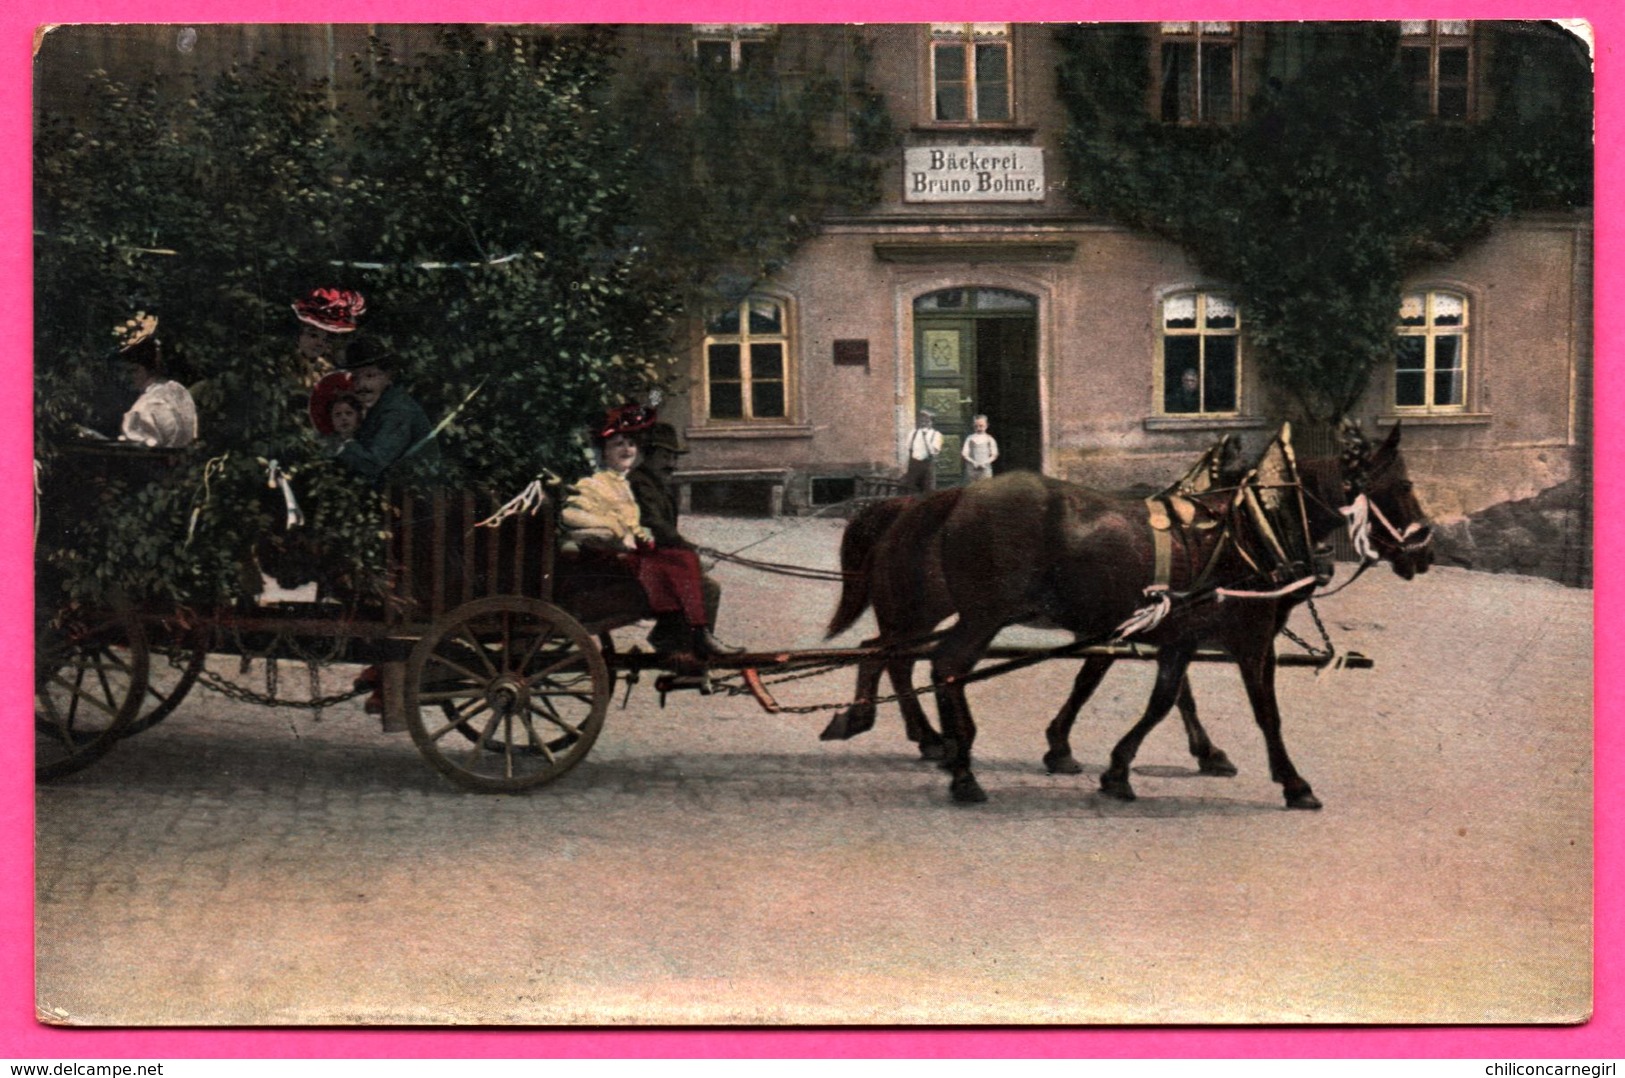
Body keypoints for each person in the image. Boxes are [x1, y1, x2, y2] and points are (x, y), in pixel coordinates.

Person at [562, 405, 731, 659]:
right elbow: (584, 518)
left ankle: (689, 639)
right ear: (604, 452)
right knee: (688, 568)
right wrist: (622, 534)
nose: (627, 450)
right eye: (618, 445)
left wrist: (641, 535)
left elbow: (640, 523)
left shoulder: (628, 482)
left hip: (629, 552)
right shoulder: (604, 483)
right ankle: (688, 642)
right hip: (610, 557)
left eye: (631, 444)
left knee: (686, 565)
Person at [628, 421, 739, 655]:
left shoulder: (656, 483)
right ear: (648, 455)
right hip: (643, 559)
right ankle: (694, 646)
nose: (672, 464)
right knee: (706, 587)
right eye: (666, 456)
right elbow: (655, 525)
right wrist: (692, 550)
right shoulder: (640, 483)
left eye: (674, 457)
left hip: (656, 555)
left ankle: (675, 640)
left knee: (706, 585)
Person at [331, 334, 439, 484]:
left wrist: (344, 445)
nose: (361, 386)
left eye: (370, 376)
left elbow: (373, 464)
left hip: (420, 496)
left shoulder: (397, 411)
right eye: (355, 378)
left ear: (389, 376)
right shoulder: (377, 408)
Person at [113, 312, 197, 448]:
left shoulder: (148, 404)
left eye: (132, 371)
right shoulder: (176, 388)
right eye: (122, 371)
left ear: (149, 368)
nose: (125, 377)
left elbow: (147, 450)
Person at [290, 286, 366, 390]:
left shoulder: (332, 371)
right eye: (313, 335)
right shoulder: (280, 366)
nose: (319, 344)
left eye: (327, 340)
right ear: (298, 336)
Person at [903, 409, 944, 494]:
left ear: (932, 421)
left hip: (927, 465)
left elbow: (933, 451)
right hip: (914, 465)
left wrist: (925, 437)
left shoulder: (937, 435)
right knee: (912, 490)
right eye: (922, 420)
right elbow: (908, 447)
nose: (924, 422)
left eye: (927, 420)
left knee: (928, 491)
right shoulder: (913, 433)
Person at [960, 413, 999, 482]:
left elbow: (994, 454)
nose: (978, 428)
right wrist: (973, 462)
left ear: (986, 426)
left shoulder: (989, 439)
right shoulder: (970, 438)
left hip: (985, 469)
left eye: (981, 426)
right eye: (976, 426)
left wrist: (985, 462)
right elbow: (964, 453)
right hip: (972, 470)